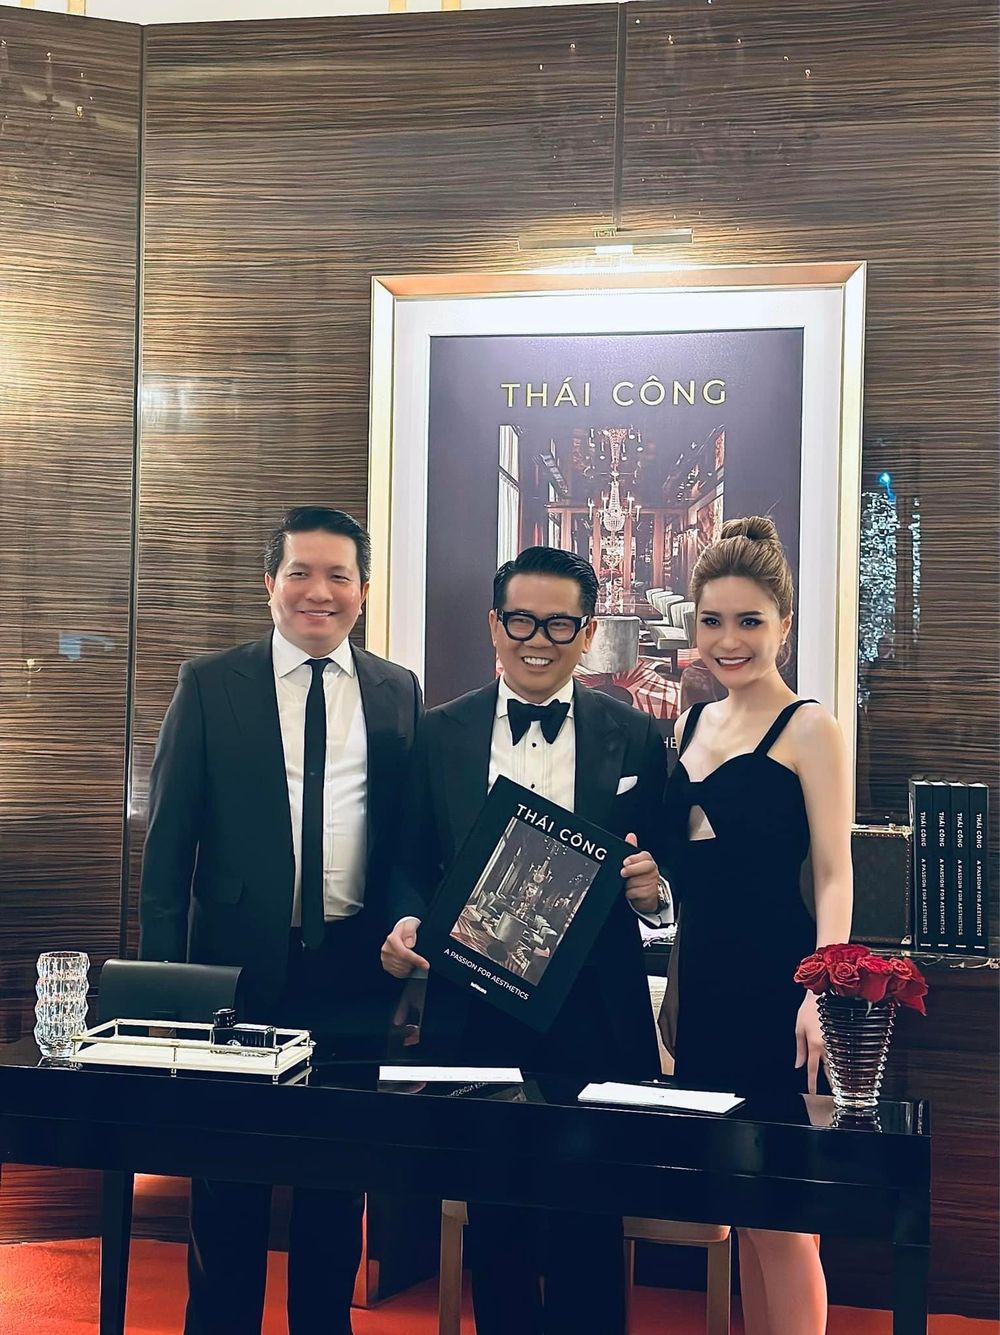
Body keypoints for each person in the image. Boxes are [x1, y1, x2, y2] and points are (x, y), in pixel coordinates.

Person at [139, 505, 422, 1335]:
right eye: (300, 572)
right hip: (235, 975)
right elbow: (167, 851)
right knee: (228, 1186)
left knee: (334, 1189)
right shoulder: (209, 682)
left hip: (354, 976)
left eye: (339, 575)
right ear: (270, 583)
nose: (318, 591)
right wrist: (164, 997)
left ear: (363, 590)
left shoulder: (397, 689)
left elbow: (408, 836)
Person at [380, 545, 669, 1335]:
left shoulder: (636, 736)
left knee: (590, 1225)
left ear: (588, 631)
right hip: (475, 1009)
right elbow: (408, 862)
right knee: (496, 1227)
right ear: (493, 625)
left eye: (559, 623)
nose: (538, 639)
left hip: (595, 1015)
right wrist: (404, 920)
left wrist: (655, 890)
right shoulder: (438, 732)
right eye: (521, 620)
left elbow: (668, 862)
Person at [663, 515, 852, 1335]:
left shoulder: (811, 726)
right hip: (703, 984)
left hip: (781, 988)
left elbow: (835, 871)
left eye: (749, 620)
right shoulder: (689, 726)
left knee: (785, 1211)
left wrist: (821, 991)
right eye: (712, 620)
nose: (728, 640)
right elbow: (684, 864)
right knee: (741, 1201)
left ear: (785, 624)